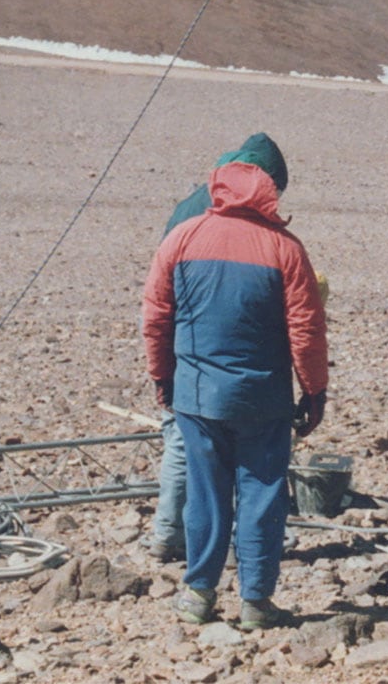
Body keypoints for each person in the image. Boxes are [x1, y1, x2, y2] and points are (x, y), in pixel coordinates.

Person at [141, 133, 327, 630]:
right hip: (263, 400)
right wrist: (314, 390)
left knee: (206, 495)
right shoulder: (285, 247)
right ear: (270, 189)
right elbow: (306, 329)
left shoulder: (183, 237)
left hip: (198, 398)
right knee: (262, 498)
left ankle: (199, 594)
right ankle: (256, 602)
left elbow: (157, 316)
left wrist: (163, 378)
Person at [146, 134, 291, 565]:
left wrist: (162, 369)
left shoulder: (192, 207)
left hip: (188, 354)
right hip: (211, 353)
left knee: (189, 446)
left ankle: (174, 541)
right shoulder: (224, 220)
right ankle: (195, 546)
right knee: (208, 456)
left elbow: (158, 303)